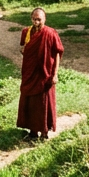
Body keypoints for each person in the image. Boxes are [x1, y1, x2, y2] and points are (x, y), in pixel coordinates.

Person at [17, 7, 64, 140]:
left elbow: (57, 53)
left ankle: (44, 132)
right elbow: (23, 48)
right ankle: (32, 131)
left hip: (45, 74)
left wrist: (55, 74)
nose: (36, 22)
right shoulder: (26, 32)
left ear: (44, 19)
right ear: (31, 18)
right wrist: (24, 50)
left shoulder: (50, 33)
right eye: (34, 19)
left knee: (44, 103)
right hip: (30, 73)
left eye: (39, 19)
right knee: (30, 102)